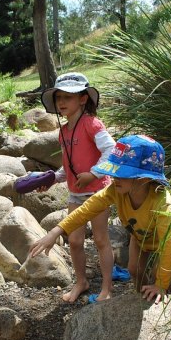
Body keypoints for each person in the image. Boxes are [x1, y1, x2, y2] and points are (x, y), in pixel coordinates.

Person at [29, 135, 171, 303]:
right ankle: (142, 297)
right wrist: (56, 231)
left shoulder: (162, 203)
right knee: (134, 269)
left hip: (165, 237)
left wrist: (160, 284)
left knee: (158, 274)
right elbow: (88, 209)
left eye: (122, 174)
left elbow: (169, 246)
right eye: (114, 172)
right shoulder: (116, 190)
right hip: (139, 235)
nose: (114, 178)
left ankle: (163, 293)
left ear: (145, 179)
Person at [38, 72, 116, 303]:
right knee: (74, 241)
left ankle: (107, 287)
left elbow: (112, 151)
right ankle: (81, 281)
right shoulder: (64, 131)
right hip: (76, 193)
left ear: (83, 99)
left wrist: (94, 173)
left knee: (101, 239)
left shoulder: (92, 124)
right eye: (59, 97)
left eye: (68, 97)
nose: (61, 102)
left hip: (98, 191)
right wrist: (53, 179)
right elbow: (69, 165)